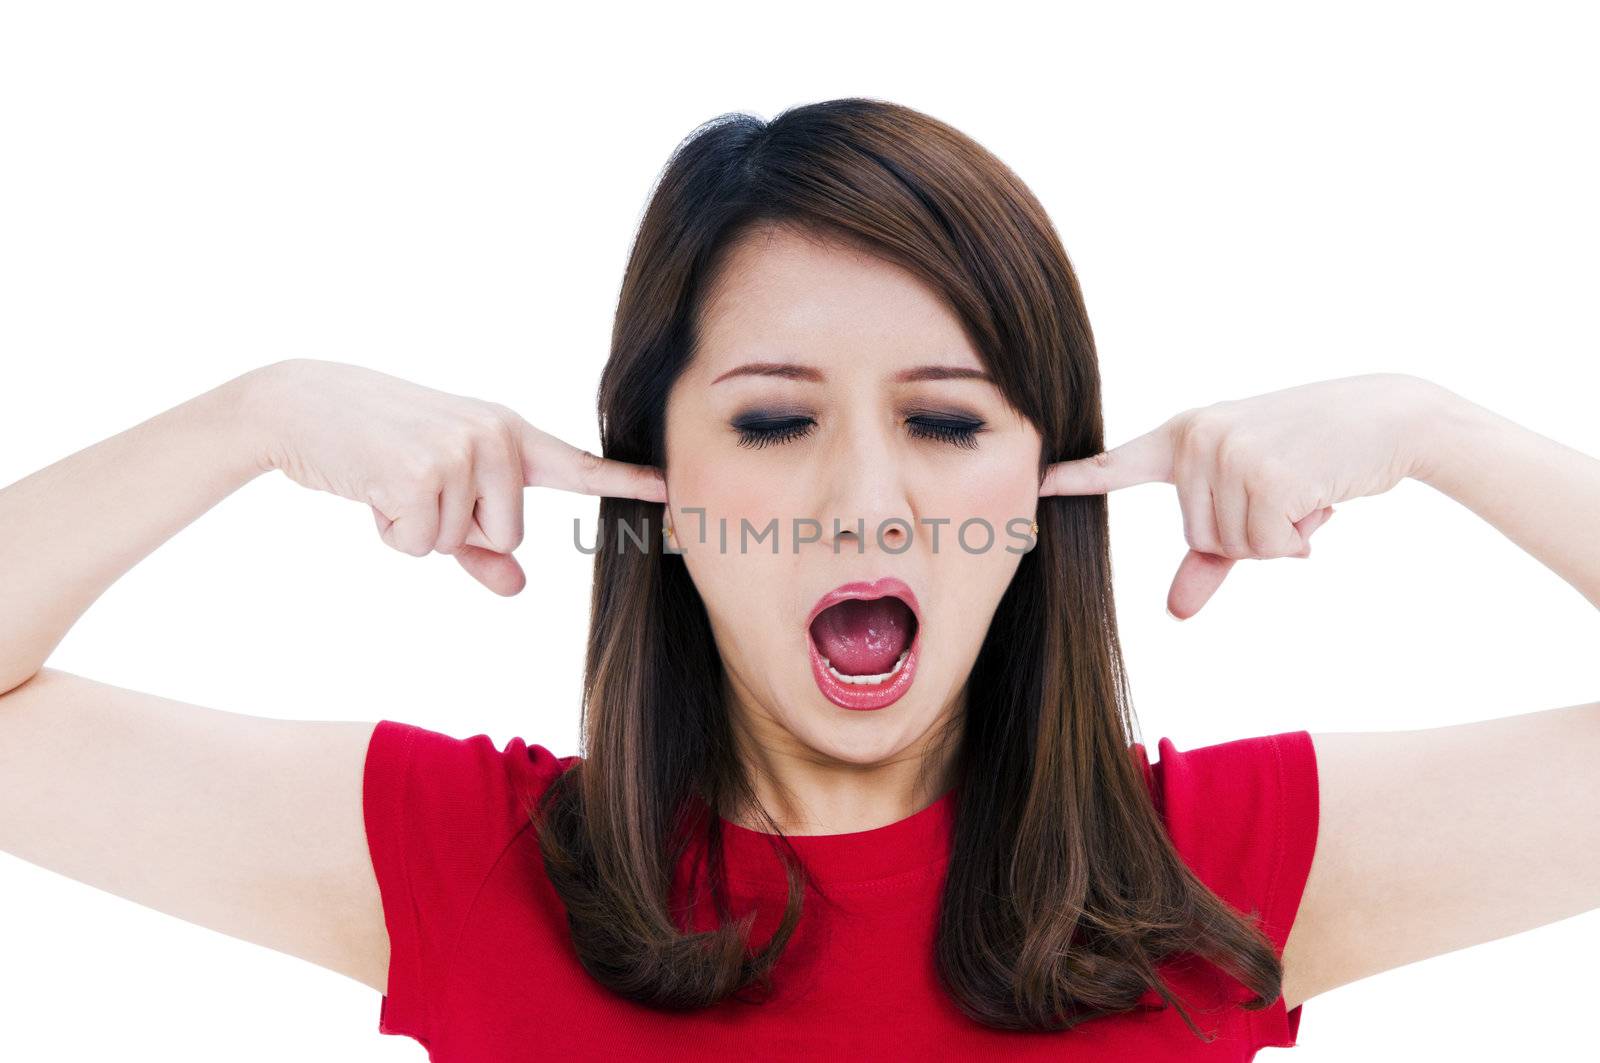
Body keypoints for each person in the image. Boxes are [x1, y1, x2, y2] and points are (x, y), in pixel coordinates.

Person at [2, 97, 1596, 1061]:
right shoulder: (462, 868)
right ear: (656, 486)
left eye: (946, 420)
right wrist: (257, 412)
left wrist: (1431, 428)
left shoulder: (1217, 877)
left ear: (1048, 488)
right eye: (772, 421)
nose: (866, 504)